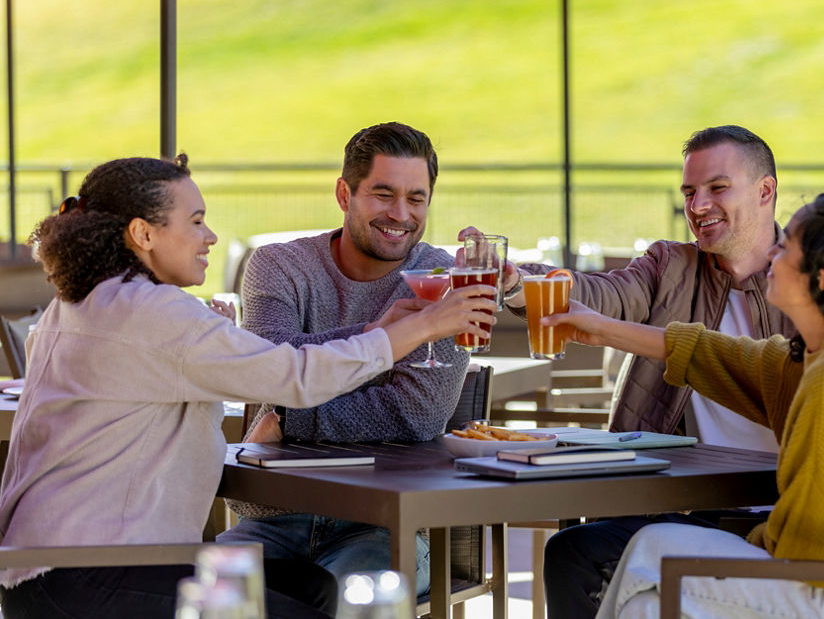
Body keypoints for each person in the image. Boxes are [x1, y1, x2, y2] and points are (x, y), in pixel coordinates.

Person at [0, 155, 494, 619]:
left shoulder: (88, 302)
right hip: (91, 577)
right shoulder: (153, 313)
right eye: (195, 221)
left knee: (310, 588)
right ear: (143, 233)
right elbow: (295, 377)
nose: (210, 236)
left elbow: (275, 362)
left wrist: (375, 331)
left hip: (51, 568)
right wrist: (422, 328)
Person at [545, 193, 824, 618]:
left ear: (822, 277)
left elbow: (811, 549)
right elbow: (719, 355)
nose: (772, 253)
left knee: (651, 562)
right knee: (648, 580)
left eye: (786, 246)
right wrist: (600, 329)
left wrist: (751, 540)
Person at [477, 125, 798, 616]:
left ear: (765, 191)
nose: (698, 205)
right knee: (578, 546)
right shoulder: (671, 266)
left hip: (782, 512)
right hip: (688, 505)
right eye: (690, 191)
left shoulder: (806, 281)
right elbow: (603, 296)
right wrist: (521, 283)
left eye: (717, 188)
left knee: (579, 551)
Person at [217, 121, 465, 596]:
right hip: (275, 515)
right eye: (383, 194)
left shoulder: (443, 276)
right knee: (209, 597)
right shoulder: (279, 266)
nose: (401, 214)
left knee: (348, 601)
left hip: (382, 524)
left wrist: (289, 418)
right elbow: (268, 370)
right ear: (344, 193)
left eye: (416, 198)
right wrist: (382, 338)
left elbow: (414, 415)